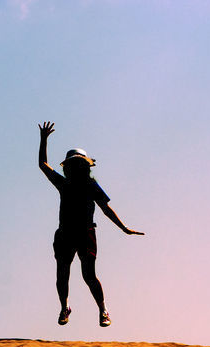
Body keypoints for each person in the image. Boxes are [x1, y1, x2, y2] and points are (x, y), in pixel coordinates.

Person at [37, 122, 143, 328]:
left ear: (84, 166)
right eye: (72, 164)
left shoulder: (91, 186)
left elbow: (106, 209)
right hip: (65, 233)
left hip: (86, 233)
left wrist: (124, 228)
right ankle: (64, 307)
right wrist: (43, 139)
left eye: (79, 164)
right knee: (62, 272)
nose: (76, 167)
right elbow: (43, 165)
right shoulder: (64, 183)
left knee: (88, 275)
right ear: (68, 167)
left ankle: (103, 310)